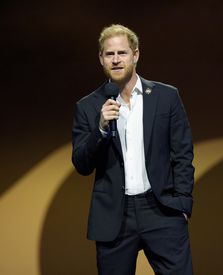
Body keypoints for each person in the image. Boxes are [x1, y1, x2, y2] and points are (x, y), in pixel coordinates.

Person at [71, 24, 194, 275]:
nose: (116, 60)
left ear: (135, 55)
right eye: (109, 54)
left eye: (122, 53)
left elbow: (182, 153)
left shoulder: (166, 96)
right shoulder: (88, 106)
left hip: (161, 210)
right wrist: (101, 128)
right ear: (101, 60)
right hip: (115, 216)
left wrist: (182, 203)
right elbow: (82, 164)